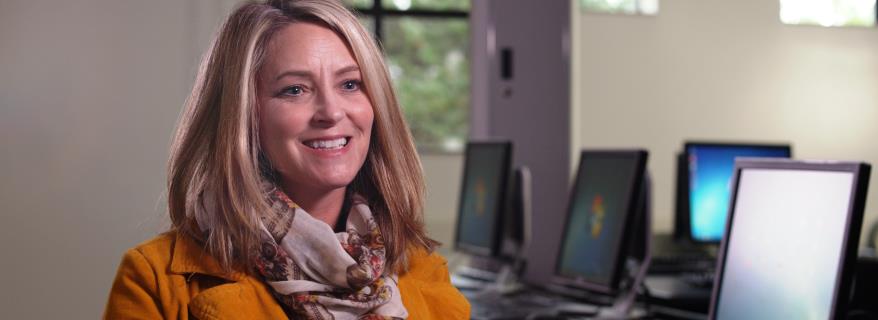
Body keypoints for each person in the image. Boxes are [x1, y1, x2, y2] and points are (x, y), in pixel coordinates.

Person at [104, 0, 470, 319]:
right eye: (295, 90)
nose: (331, 112)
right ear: (243, 116)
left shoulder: (426, 272)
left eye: (350, 84)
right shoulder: (152, 280)